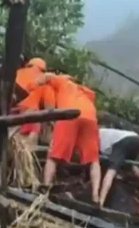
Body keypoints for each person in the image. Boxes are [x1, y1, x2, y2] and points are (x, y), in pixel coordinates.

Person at [34, 73, 101, 202]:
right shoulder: (85, 93)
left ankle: (45, 188)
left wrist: (34, 83)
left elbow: (47, 76)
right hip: (90, 118)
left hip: (70, 114)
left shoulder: (64, 82)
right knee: (94, 160)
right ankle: (95, 195)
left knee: (53, 154)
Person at [97, 127, 139, 207]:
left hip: (123, 142)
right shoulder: (101, 131)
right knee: (131, 165)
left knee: (111, 171)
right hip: (135, 139)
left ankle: (101, 202)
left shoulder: (94, 137)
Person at [14, 58, 55, 145]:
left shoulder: (17, 73)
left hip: (10, 111)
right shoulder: (44, 80)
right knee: (27, 148)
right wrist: (52, 124)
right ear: (43, 70)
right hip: (29, 114)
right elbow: (50, 107)